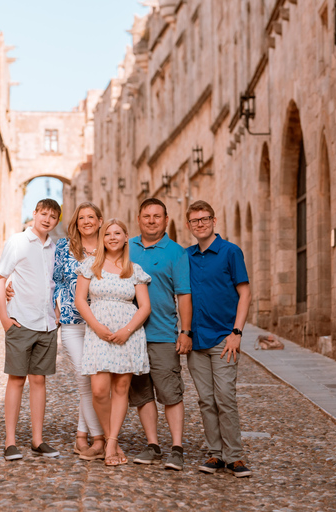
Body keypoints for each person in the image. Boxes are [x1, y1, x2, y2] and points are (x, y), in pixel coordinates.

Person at [74, 219, 152, 466]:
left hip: (127, 335)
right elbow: (80, 301)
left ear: (126, 237)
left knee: (120, 389)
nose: (112, 237)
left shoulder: (134, 269)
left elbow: (145, 306)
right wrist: (97, 327)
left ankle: (111, 443)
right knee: (99, 390)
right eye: (107, 233)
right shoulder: (90, 266)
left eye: (117, 233)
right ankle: (111, 441)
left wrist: (127, 331)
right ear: (102, 238)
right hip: (98, 333)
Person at [185, 200, 253, 478]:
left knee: (225, 397)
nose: (200, 224)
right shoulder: (186, 256)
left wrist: (237, 333)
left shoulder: (230, 252)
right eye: (194, 220)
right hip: (196, 341)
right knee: (206, 400)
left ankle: (234, 456)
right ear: (189, 225)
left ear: (214, 220)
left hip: (224, 339)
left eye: (205, 219)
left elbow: (245, 293)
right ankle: (215, 454)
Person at [0, 198, 61, 461]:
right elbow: (1, 279)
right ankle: (10, 441)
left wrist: (56, 312)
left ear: (56, 221)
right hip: (20, 322)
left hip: (46, 324)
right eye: (43, 214)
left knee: (39, 381)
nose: (47, 219)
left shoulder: (54, 248)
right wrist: (4, 318)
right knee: (16, 379)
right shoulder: (17, 242)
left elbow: (56, 283)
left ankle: (37, 439)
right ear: (34, 214)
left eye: (53, 217)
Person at [128, 198, 192, 471]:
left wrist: (185, 332)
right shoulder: (125, 247)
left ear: (166, 220)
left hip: (163, 333)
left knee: (171, 393)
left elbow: (184, 295)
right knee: (142, 394)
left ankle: (176, 448)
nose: (151, 220)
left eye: (157, 216)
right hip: (130, 335)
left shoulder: (176, 252)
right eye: (146, 216)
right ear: (138, 219)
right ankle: (153, 444)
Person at [53, 203, 106, 460]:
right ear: (76, 222)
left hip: (100, 323)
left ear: (99, 221)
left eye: (91, 217)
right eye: (81, 217)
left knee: (93, 381)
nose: (86, 221)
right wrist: (54, 307)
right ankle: (96, 438)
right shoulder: (64, 247)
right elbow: (55, 280)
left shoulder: (108, 247)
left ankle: (81, 437)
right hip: (72, 323)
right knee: (83, 374)